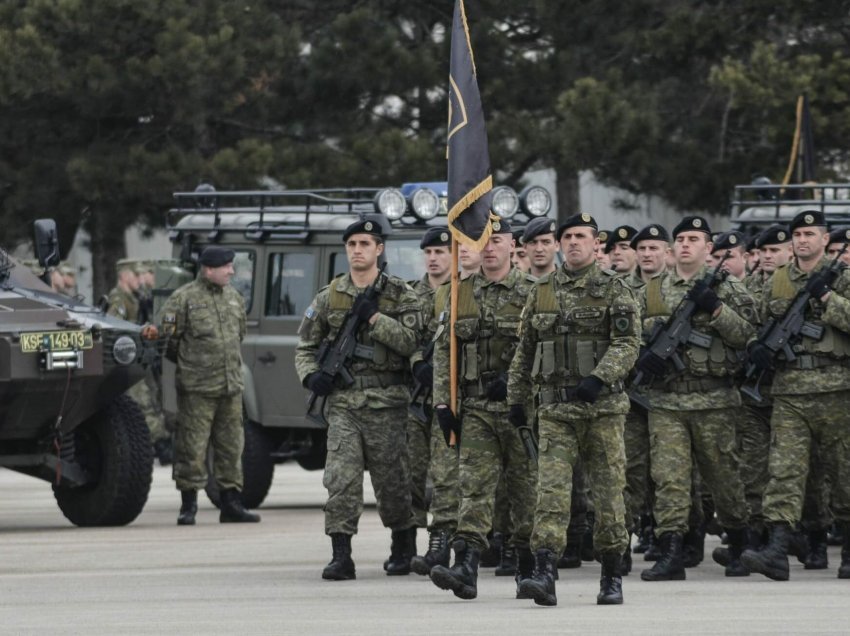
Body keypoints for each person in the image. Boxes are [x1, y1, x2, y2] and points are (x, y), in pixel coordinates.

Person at [507, 212, 639, 606]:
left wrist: (599, 378)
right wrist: (515, 399)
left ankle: (611, 575)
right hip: (555, 413)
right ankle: (544, 573)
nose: (574, 243)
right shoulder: (541, 290)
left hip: (602, 410)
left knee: (609, 494)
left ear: (596, 243)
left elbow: (628, 343)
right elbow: (525, 351)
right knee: (549, 494)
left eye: (582, 236)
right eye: (568, 237)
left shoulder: (613, 289)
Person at [294, 218, 420, 580]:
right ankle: (340, 553)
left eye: (365, 243)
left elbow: (414, 343)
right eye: (352, 244)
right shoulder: (329, 296)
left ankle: (402, 545)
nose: (358, 250)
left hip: (388, 401)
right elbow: (305, 346)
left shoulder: (399, 294)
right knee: (340, 479)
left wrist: (376, 319)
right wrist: (311, 375)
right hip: (345, 403)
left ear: (379, 249)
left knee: (393, 481)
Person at [635, 215, 756, 581]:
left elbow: (749, 337)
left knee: (724, 480)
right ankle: (671, 550)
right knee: (669, 479)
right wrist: (644, 353)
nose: (687, 244)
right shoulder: (651, 291)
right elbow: (626, 339)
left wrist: (716, 310)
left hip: (715, 400)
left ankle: (738, 544)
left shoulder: (730, 290)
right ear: (673, 249)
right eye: (682, 239)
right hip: (667, 402)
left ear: (708, 248)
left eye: (695, 239)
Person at [429, 219, 538, 601]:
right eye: (483, 241)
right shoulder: (461, 293)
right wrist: (443, 402)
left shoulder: (532, 291)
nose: (490, 248)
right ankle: (467, 566)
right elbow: (445, 353)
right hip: (475, 408)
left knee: (525, 492)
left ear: (513, 246)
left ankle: (529, 567)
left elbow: (542, 348)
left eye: (498, 241)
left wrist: (514, 382)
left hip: (520, 410)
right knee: (473, 488)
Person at [742, 210, 850, 581]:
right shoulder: (778, 281)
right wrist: (757, 345)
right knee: (784, 472)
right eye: (798, 234)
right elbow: (755, 324)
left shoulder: (843, 277)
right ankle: (777, 548)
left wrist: (826, 298)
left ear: (824, 239)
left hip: (838, 389)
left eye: (810, 233)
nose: (803, 239)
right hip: (788, 391)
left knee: (843, 472)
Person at [160, 246, 260, 526]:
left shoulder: (235, 298)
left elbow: (238, 335)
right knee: (192, 447)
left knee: (231, 447)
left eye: (231, 266)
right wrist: (195, 365)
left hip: (230, 387)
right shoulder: (183, 299)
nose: (231, 271)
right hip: (197, 389)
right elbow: (169, 343)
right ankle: (188, 505)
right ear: (208, 270)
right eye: (226, 267)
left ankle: (231, 503)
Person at [407, 227, 459, 576]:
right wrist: (416, 361)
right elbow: (402, 336)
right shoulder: (410, 295)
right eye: (429, 252)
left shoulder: (463, 292)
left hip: (450, 397)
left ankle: (439, 542)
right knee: (411, 471)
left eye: (441, 252)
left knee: (445, 474)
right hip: (415, 398)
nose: (434, 258)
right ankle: (404, 543)